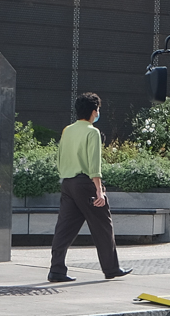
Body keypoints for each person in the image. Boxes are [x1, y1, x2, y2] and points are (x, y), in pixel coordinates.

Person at [48, 92, 133, 282]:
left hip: (68, 183)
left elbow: (60, 158)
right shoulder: (92, 132)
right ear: (94, 112)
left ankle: (56, 270)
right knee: (103, 225)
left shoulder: (67, 130)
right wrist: (99, 190)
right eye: (98, 110)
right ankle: (111, 268)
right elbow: (94, 164)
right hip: (85, 183)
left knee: (64, 228)